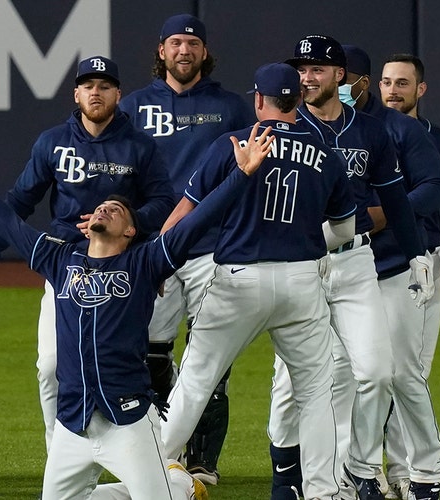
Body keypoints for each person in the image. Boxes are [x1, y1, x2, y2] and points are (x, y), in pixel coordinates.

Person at [0, 121, 274, 499]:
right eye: (102, 206)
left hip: (127, 420)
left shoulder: (146, 263)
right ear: (87, 223)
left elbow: (198, 220)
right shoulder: (58, 258)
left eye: (117, 209)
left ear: (130, 232)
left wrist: (240, 175)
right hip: (73, 423)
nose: (107, 207)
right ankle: (172, 482)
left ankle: (180, 487)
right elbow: (4, 219)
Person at [158, 61, 358, 500]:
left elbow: (183, 215)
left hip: (238, 279)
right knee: (314, 394)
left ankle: (150, 473)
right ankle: (322, 491)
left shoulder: (233, 145)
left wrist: (157, 263)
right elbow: (345, 229)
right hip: (301, 283)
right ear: (298, 100)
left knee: (195, 381)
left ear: (257, 100)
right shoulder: (326, 153)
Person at [0, 55, 175, 453]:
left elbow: (164, 200)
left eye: (105, 85)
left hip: (121, 266)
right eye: (89, 85)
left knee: (129, 364)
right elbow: (19, 202)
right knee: (51, 367)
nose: (96, 92)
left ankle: (148, 448)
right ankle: (60, 446)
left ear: (118, 95)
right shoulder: (53, 141)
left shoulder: (140, 146)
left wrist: (132, 226)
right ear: (76, 93)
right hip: (66, 265)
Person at [266, 35, 435, 500]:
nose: (306, 77)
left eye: (317, 68)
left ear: (340, 75)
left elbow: (395, 198)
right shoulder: (284, 126)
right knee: (289, 384)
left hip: (356, 260)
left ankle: (358, 469)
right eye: (301, 69)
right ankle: (286, 481)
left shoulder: (371, 132)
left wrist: (417, 252)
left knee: (377, 372)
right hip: (299, 263)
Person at [118, 13, 255, 484]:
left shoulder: (233, 108)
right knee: (149, 352)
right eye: (175, 43)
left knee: (212, 354)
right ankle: (157, 448)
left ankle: (201, 461)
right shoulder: (132, 107)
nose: (184, 51)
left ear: (203, 52)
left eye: (192, 44)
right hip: (153, 247)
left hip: (210, 248)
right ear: (161, 51)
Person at [373, 53, 440, 500]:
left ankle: (401, 469)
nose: (393, 90)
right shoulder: (363, 135)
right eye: (386, 82)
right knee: (365, 373)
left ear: (421, 90)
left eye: (403, 83)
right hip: (365, 264)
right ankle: (363, 469)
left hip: (420, 266)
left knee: (410, 372)